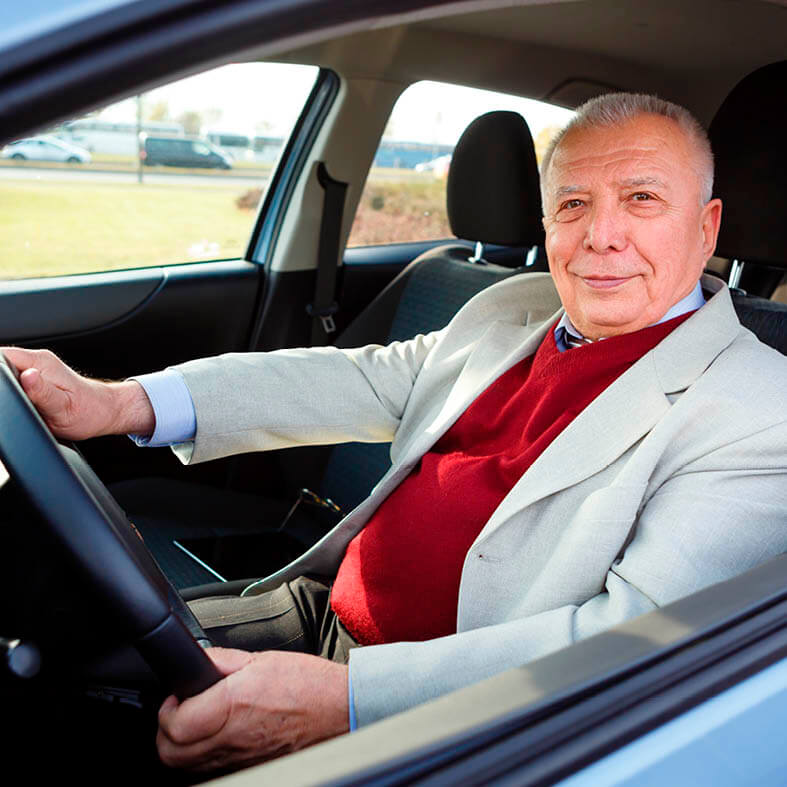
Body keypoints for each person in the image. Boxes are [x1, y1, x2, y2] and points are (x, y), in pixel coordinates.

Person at [5, 93, 787, 773]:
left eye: (642, 198)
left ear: (706, 221)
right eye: (573, 204)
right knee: (45, 659)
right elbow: (350, 378)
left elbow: (627, 646)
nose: (601, 235)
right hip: (319, 609)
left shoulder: (758, 408)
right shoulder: (507, 307)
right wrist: (115, 403)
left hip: (436, 712)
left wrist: (345, 704)